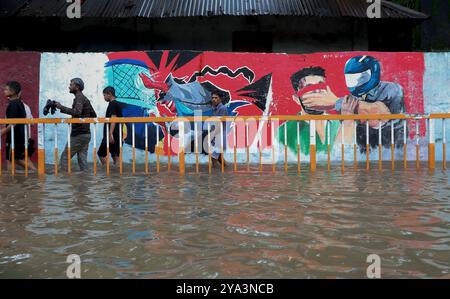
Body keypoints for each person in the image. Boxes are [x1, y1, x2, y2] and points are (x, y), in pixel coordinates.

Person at [279, 67, 341, 155]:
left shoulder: (340, 123)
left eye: (320, 85)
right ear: (296, 99)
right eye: (309, 88)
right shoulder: (284, 131)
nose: (317, 91)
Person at [54, 78, 97, 171]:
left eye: (71, 84)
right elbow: (93, 114)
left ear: (77, 87)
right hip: (86, 134)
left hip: (78, 134)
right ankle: (85, 180)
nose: (69, 86)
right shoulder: (84, 98)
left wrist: (61, 107)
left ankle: (64, 180)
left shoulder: (79, 97)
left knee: (64, 158)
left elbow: (77, 111)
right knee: (82, 161)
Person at [1, 81, 36, 171]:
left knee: (12, 159)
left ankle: (36, 173)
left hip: (14, 137)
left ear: (12, 92)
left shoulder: (13, 104)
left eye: (6, 89)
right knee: (14, 159)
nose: (4, 91)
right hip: (19, 136)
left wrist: (2, 132)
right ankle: (35, 173)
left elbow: (13, 123)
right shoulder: (20, 103)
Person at [97, 86, 124, 165]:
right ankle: (116, 173)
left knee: (101, 154)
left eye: (104, 95)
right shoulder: (117, 104)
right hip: (117, 134)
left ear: (109, 94)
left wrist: (110, 133)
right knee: (115, 155)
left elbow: (113, 118)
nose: (104, 97)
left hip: (111, 134)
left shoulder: (112, 104)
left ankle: (107, 171)